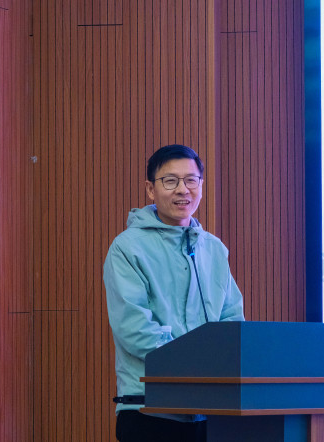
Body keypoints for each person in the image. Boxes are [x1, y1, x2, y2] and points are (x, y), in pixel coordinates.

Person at [103, 144, 245, 442]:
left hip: (212, 411)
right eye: (170, 181)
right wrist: (196, 368)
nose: (183, 189)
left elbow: (232, 322)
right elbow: (134, 329)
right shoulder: (127, 248)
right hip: (150, 410)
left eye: (191, 180)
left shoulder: (214, 249)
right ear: (150, 189)